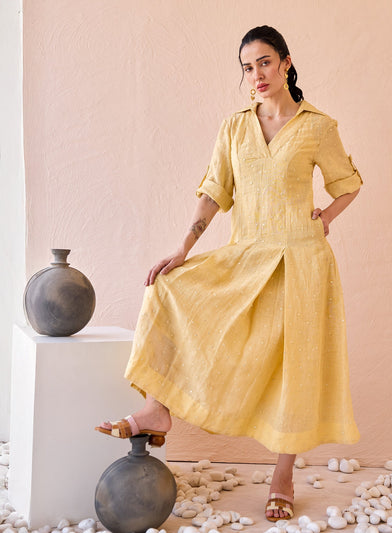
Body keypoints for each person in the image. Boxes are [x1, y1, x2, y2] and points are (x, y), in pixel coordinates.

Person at [96, 25, 363, 522]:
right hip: (248, 254)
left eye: (264, 62)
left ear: (285, 63)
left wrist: (325, 217)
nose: (256, 74)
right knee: (168, 289)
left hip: (303, 261)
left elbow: (347, 183)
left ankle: (282, 476)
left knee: (295, 368)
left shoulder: (318, 127)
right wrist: (183, 248)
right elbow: (214, 191)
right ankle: (157, 408)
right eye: (247, 67)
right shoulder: (235, 127)